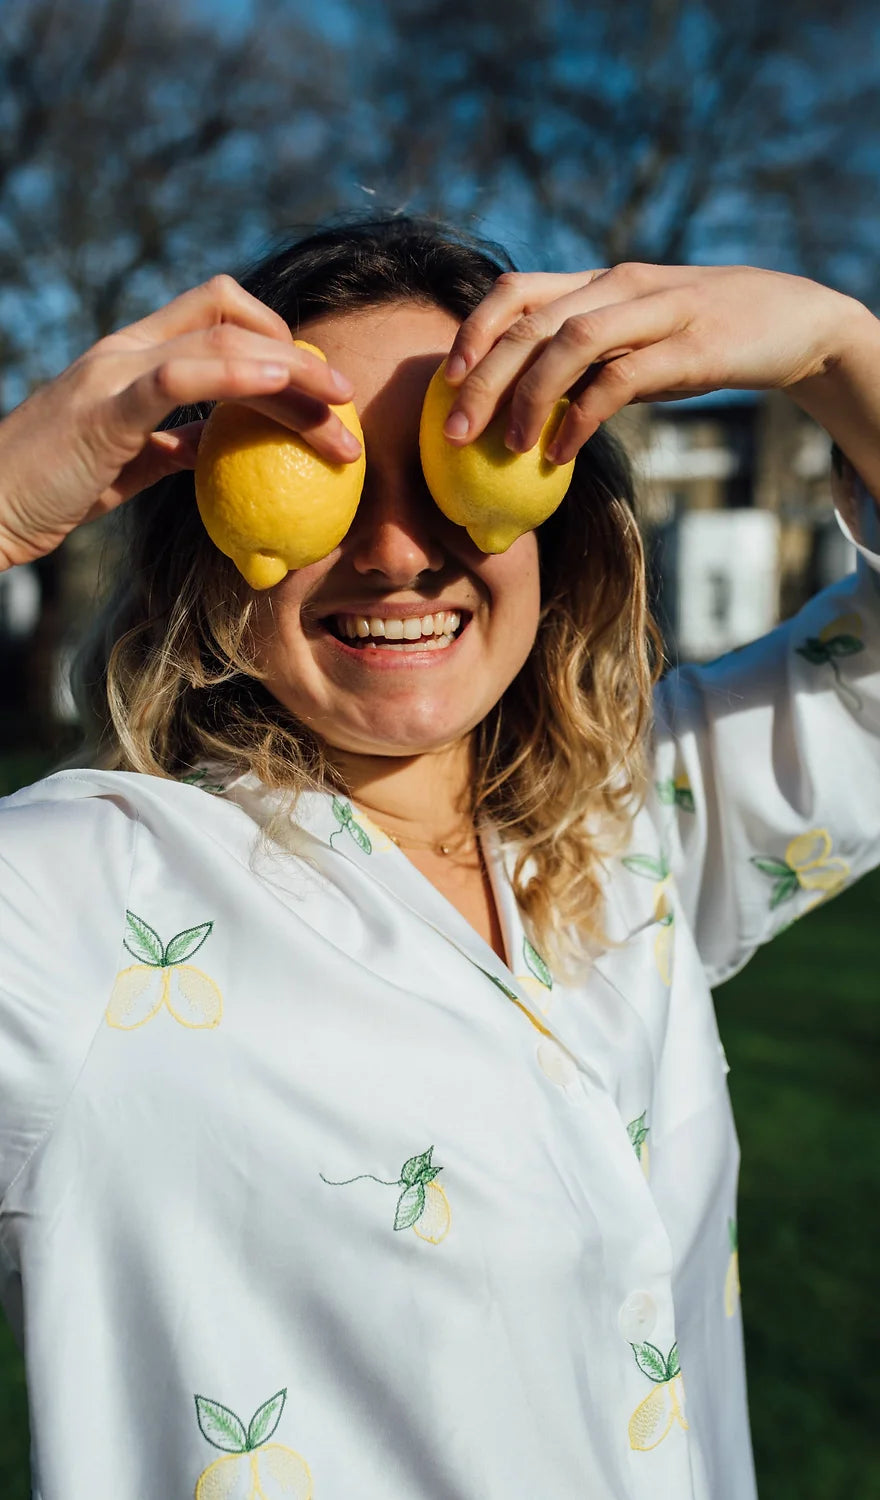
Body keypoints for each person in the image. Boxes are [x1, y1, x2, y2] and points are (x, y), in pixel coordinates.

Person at [1, 215, 878, 1500]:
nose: (398, 551)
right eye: (334, 475)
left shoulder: (634, 829)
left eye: (456, 464)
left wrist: (832, 346)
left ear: (555, 525)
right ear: (216, 540)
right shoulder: (79, 908)